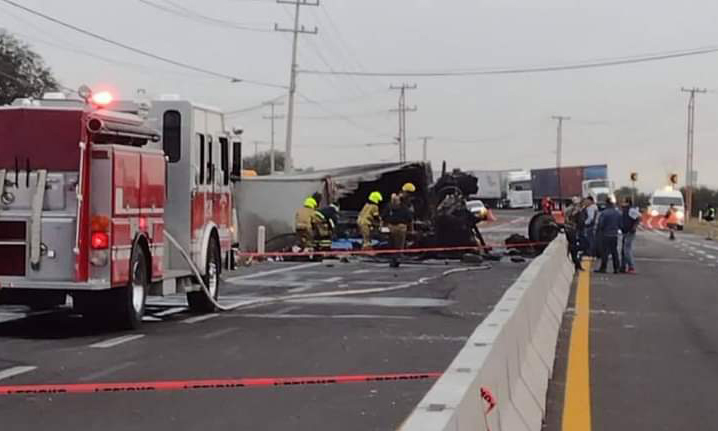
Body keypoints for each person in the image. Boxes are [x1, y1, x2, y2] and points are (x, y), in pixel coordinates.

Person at [382, 194, 413, 267]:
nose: (394, 202)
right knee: (392, 244)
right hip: (392, 227)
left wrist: (411, 230)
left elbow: (410, 220)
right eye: (393, 200)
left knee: (399, 244)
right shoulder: (389, 207)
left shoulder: (403, 208)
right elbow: (383, 218)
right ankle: (394, 258)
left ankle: (397, 258)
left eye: (395, 200)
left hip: (400, 227)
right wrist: (383, 227)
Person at [595, 197, 622, 273]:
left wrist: (599, 231)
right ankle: (616, 268)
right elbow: (620, 224)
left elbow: (601, 224)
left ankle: (603, 268)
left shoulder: (604, 213)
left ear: (606, 204)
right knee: (614, 252)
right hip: (614, 235)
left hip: (605, 234)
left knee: (605, 252)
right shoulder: (618, 213)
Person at [620, 197, 640, 274]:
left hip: (629, 232)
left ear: (628, 202)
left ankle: (631, 267)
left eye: (624, 202)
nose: (622, 203)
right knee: (623, 250)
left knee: (626, 250)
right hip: (624, 231)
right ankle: (623, 267)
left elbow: (638, 218)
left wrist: (633, 228)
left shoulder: (631, 210)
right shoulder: (624, 210)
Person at [564, 197, 585, 271]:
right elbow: (577, 219)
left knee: (574, 247)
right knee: (574, 247)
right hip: (572, 230)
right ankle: (577, 264)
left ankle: (576, 263)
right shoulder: (573, 210)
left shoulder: (568, 209)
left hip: (569, 229)